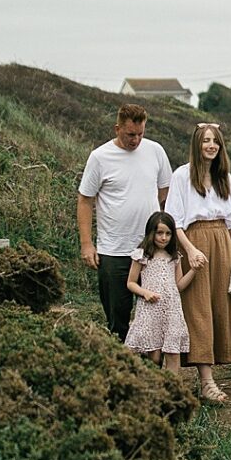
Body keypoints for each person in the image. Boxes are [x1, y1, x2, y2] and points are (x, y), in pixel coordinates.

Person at [78, 103, 173, 340]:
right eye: (130, 134)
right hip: (113, 250)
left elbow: (166, 195)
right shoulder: (100, 157)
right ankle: (121, 369)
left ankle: (152, 370)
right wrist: (87, 244)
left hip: (151, 249)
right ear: (117, 128)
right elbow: (85, 200)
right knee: (117, 317)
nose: (136, 140)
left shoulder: (156, 151)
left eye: (141, 134)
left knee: (154, 312)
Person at [166, 121, 231, 403]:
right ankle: (206, 381)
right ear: (197, 145)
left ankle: (213, 370)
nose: (211, 145)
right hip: (194, 242)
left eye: (215, 141)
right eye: (206, 140)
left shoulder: (225, 177)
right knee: (198, 310)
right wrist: (191, 250)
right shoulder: (182, 175)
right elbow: (174, 221)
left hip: (222, 241)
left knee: (219, 307)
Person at [124, 210, 201, 373]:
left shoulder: (174, 257)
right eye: (159, 233)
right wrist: (145, 292)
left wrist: (193, 271)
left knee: (173, 353)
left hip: (171, 310)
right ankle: (153, 389)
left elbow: (179, 285)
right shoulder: (142, 255)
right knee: (154, 355)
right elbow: (131, 283)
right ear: (151, 232)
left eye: (168, 233)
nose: (164, 238)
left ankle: (174, 391)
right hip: (150, 309)